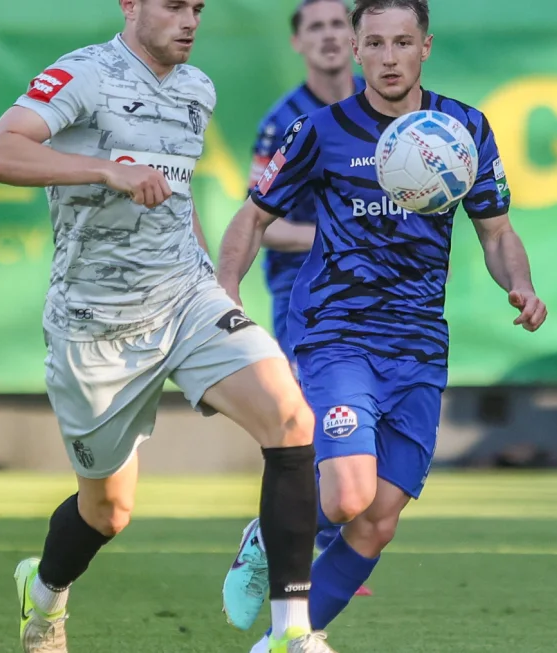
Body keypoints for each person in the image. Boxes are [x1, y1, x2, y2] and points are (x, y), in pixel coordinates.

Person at [0, 1, 339, 652]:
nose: (189, 19)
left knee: (291, 417)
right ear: (131, 5)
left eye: (197, 7)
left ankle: (291, 634)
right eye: (173, 5)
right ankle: (46, 590)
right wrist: (104, 168)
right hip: (96, 323)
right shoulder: (84, 74)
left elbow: (177, 190)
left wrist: (213, 280)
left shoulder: (197, 88)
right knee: (107, 511)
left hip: (186, 297)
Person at [214, 0, 548, 648]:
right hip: (337, 334)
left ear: (425, 46)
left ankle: (287, 640)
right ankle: (269, 530)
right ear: (356, 50)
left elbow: (496, 230)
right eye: (376, 43)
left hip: (418, 345)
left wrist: (522, 284)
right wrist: (225, 289)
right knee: (344, 497)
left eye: (402, 42)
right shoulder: (319, 129)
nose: (389, 56)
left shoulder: (463, 129)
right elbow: (253, 215)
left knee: (377, 521)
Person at [245, 0, 372, 598]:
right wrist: (339, 234)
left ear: (356, 39)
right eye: (313, 26)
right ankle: (299, 545)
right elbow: (259, 222)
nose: (327, 37)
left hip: (377, 292)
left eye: (336, 25)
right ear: (297, 43)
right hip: (306, 292)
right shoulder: (283, 121)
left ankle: (312, 539)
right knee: (319, 418)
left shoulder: (382, 113)